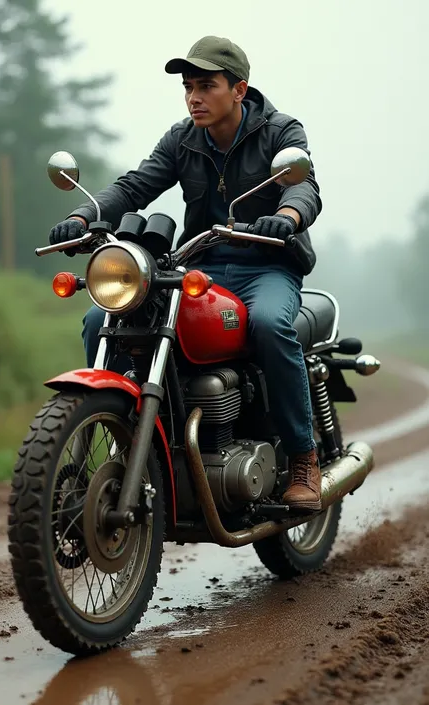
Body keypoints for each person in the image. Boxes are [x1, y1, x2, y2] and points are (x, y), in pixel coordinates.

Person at [49, 36, 323, 512]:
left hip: (266, 263)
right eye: (188, 87)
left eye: (206, 86)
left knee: (269, 325)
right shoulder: (182, 139)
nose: (194, 97)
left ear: (238, 89)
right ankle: (124, 433)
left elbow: (306, 188)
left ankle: (302, 456)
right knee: (102, 321)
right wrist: (82, 218)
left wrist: (289, 218)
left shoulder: (281, 131)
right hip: (201, 265)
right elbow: (136, 185)